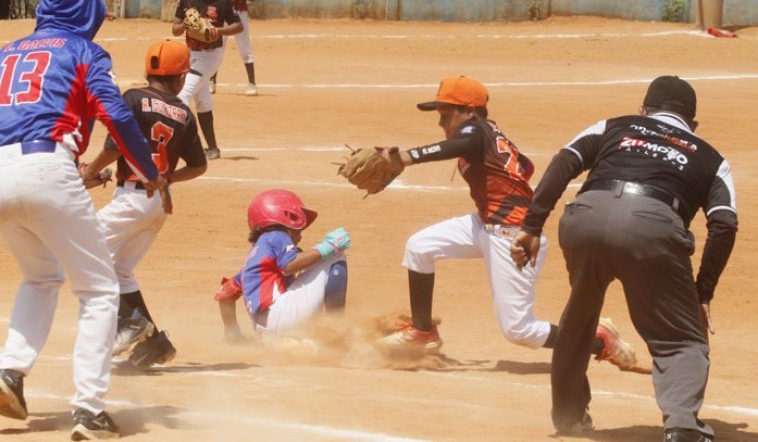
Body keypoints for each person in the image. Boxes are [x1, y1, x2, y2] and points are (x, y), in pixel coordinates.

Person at [0, 0, 167, 440]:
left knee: (40, 276)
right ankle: (89, 410)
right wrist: (150, 171)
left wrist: (1, 176)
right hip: (46, 164)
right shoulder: (84, 52)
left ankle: (10, 372)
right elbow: (115, 113)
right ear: (85, 14)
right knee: (99, 289)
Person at [510, 76, 737, 442]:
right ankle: (682, 425)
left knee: (580, 317)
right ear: (692, 124)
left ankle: (569, 417)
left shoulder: (612, 126)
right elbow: (724, 224)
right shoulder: (712, 158)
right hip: (652, 231)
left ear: (644, 110)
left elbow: (563, 163)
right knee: (681, 338)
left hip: (585, 218)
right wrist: (702, 294)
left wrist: (532, 225)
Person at [375, 76, 635, 370]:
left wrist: (409, 157)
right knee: (420, 247)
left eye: (446, 115)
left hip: (513, 236)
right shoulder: (489, 132)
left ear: (469, 111)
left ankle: (600, 340)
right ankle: (423, 332)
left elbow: (468, 141)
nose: (441, 123)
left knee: (519, 330)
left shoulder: (474, 130)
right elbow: (525, 165)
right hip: (486, 223)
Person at [80, 40, 208, 369]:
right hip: (156, 205)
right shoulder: (184, 115)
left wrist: (90, 171)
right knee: (119, 270)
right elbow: (199, 166)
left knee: (84, 251)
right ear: (180, 79)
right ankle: (155, 344)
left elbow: (115, 145)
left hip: (131, 199)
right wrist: (167, 179)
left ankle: (131, 323)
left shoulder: (134, 98)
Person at [214, 189, 350, 342]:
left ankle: (294, 343)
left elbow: (225, 293)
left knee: (313, 259)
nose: (300, 235)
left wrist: (233, 334)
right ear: (285, 217)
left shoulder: (256, 256)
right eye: (297, 228)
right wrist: (328, 247)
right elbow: (289, 265)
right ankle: (337, 330)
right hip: (281, 315)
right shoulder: (277, 235)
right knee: (335, 256)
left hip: (265, 330)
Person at [172, 0, 243, 161]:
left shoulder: (221, 0)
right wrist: (185, 24)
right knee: (202, 101)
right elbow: (175, 29)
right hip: (189, 54)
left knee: (181, 98)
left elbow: (238, 25)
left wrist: (217, 31)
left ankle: (177, 145)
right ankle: (212, 148)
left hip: (210, 57)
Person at [210, 0, 258, 96]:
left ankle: (252, 84)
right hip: (224, 12)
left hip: (240, 12)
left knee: (245, 48)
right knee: (218, 46)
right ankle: (212, 81)